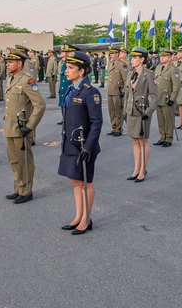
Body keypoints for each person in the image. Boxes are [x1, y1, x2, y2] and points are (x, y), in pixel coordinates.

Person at [58, 51, 102, 235]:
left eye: (70, 68)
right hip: (70, 143)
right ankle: (78, 216)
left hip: (84, 146)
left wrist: (88, 147)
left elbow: (96, 122)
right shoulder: (72, 89)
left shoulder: (90, 92)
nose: (66, 71)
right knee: (75, 181)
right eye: (66, 67)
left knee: (85, 182)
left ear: (81, 70)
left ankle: (86, 219)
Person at [3, 48, 46, 204]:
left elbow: (40, 104)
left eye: (11, 62)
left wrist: (30, 126)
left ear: (19, 64)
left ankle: (26, 190)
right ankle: (18, 187)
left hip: (21, 128)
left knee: (24, 161)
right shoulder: (12, 78)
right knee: (14, 161)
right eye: (7, 62)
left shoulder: (27, 80)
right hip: (10, 126)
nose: (7, 65)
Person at [124, 47, 158, 182]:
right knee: (134, 140)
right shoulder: (130, 73)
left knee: (143, 141)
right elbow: (127, 94)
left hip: (142, 111)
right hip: (131, 111)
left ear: (142, 59)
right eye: (132, 57)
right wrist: (125, 111)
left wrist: (148, 112)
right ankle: (136, 169)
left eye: (135, 57)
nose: (132, 60)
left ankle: (143, 170)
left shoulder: (148, 74)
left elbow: (155, 96)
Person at [153, 49, 178, 147]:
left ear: (169, 57)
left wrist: (172, 99)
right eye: (161, 56)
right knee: (160, 120)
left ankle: (168, 138)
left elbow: (176, 86)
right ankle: (162, 137)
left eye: (164, 56)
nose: (161, 58)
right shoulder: (158, 67)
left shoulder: (173, 69)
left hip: (167, 98)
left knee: (168, 120)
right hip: (158, 98)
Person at [106, 47, 126, 136]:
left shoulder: (122, 64)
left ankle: (118, 129)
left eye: (113, 53)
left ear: (117, 54)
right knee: (111, 111)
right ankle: (114, 127)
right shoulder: (111, 63)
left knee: (118, 111)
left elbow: (125, 80)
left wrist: (124, 91)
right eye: (110, 54)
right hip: (110, 90)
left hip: (118, 91)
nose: (111, 55)